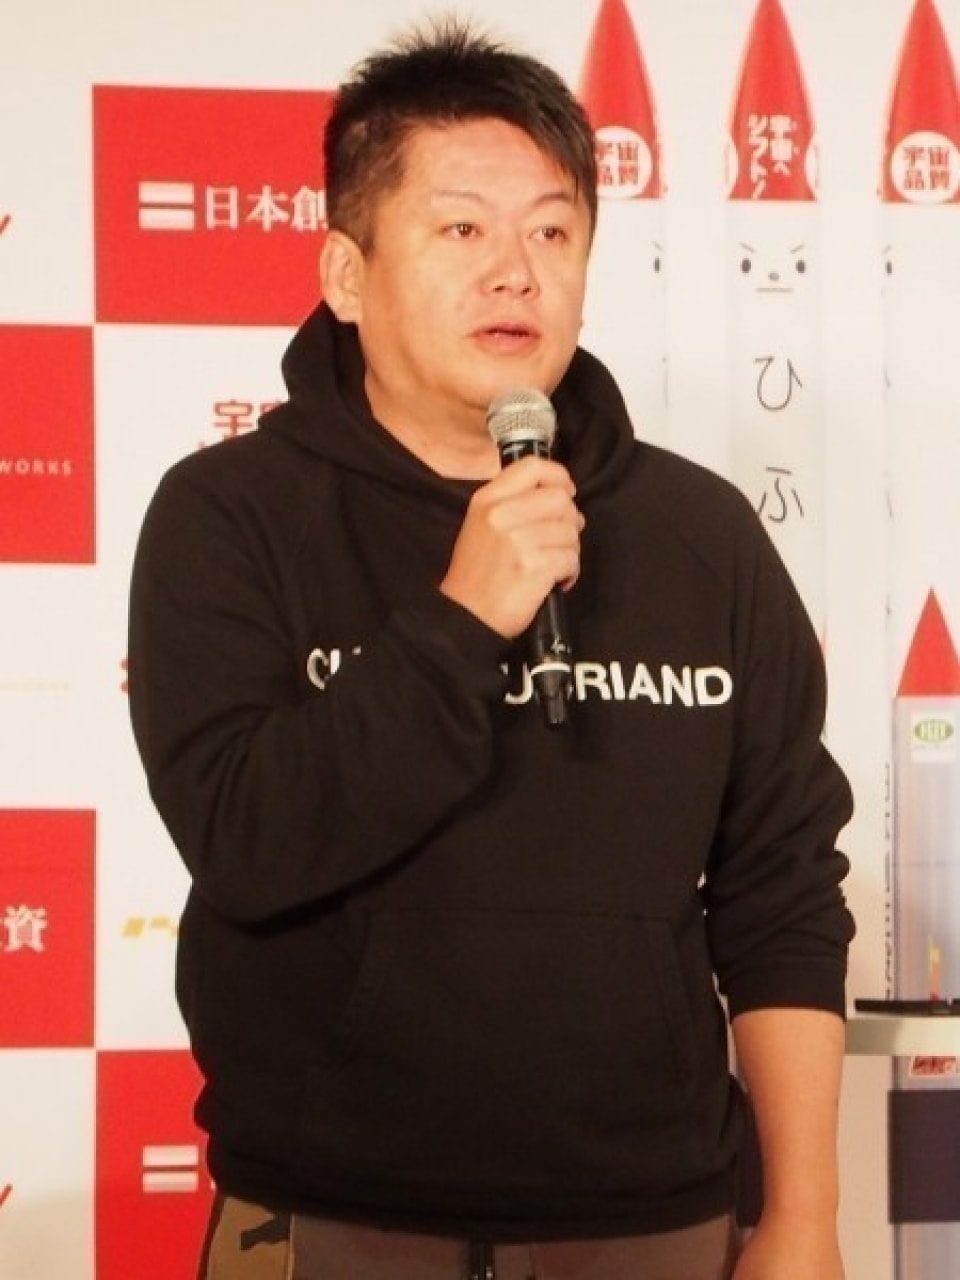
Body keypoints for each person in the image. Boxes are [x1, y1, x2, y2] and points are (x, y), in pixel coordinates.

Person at [127, 17, 856, 1280]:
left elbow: (781, 889)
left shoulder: (700, 534)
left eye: (553, 233)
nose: (516, 273)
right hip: (328, 1205)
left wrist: (802, 1213)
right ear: (346, 272)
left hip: (650, 1213)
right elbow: (247, 837)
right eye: (462, 229)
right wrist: (461, 622)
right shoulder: (230, 513)